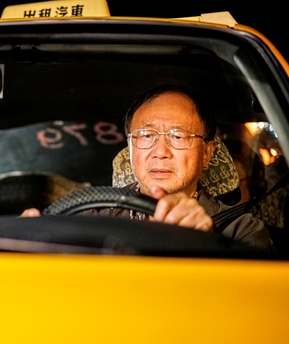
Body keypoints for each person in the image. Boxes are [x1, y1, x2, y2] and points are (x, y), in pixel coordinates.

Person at [22, 84, 273, 250]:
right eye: (145, 135)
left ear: (207, 153)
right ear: (130, 147)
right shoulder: (91, 217)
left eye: (178, 136)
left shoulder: (241, 230)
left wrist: (205, 243)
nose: (160, 152)